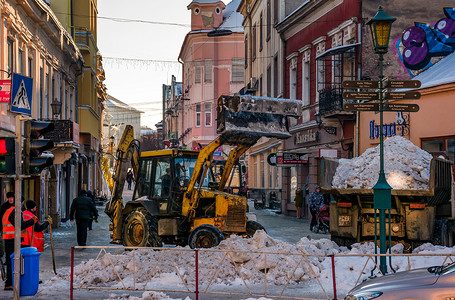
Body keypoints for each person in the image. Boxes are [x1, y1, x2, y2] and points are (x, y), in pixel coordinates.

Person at [2, 197, 37, 290]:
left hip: (9, 238)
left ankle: (10, 282)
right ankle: (9, 282)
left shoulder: (9, 210)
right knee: (13, 261)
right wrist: (32, 221)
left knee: (11, 261)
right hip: (12, 239)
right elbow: (19, 225)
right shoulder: (16, 211)